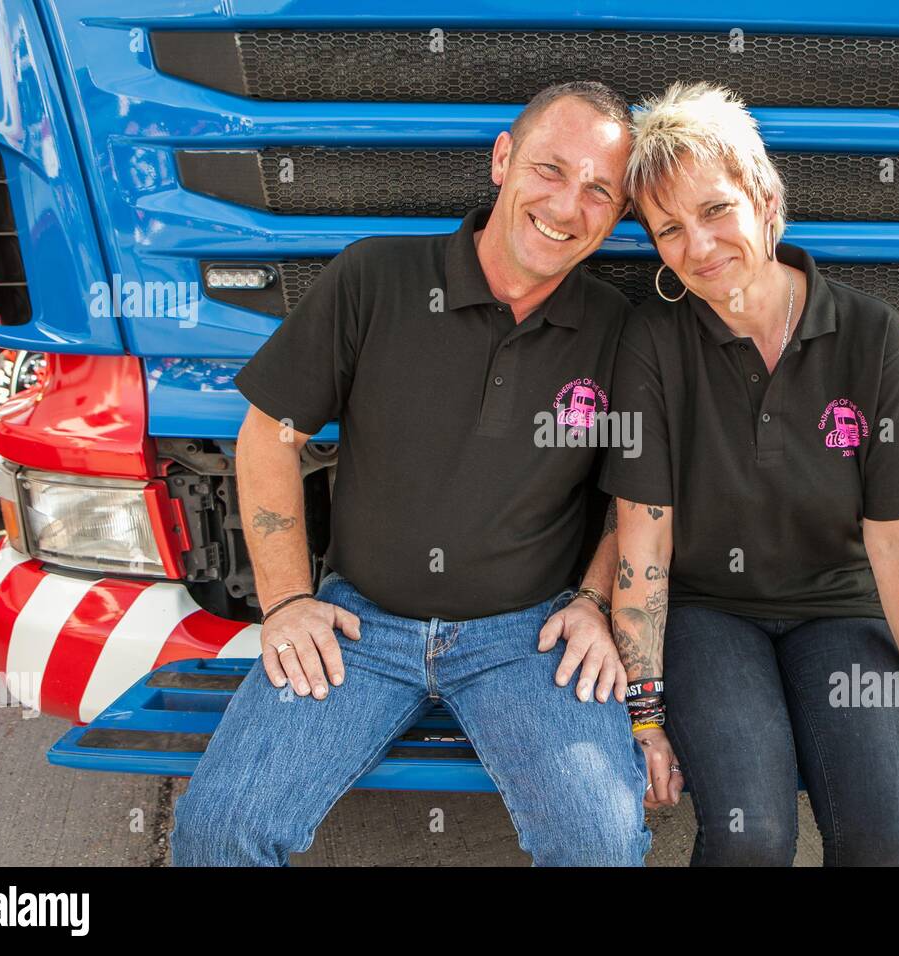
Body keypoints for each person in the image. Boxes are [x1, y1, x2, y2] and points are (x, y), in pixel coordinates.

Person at [170, 81, 651, 866]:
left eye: (600, 190)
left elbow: (635, 495)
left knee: (600, 842)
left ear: (620, 212)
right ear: (503, 160)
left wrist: (596, 601)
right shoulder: (375, 279)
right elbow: (267, 435)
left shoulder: (619, 330)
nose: (568, 206)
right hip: (359, 628)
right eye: (550, 170)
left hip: (529, 638)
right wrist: (288, 601)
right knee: (219, 831)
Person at [602, 82, 899, 867]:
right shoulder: (653, 339)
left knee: (884, 838)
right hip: (709, 615)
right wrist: (645, 718)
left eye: (715, 210)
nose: (700, 247)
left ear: (764, 196)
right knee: (753, 837)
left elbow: (898, 538)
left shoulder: (868, 333)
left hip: (841, 611)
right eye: (669, 229)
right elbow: (642, 538)